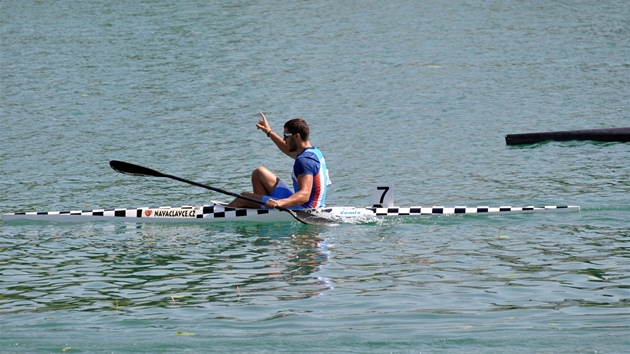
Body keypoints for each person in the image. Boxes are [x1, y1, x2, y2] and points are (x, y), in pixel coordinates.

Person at [227, 112, 331, 209]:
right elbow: (287, 149)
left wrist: (279, 203)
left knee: (243, 197)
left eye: (286, 136)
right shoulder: (313, 152)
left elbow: (304, 195)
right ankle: (263, 210)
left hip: (305, 209)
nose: (284, 139)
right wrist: (269, 132)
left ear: (297, 136)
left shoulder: (305, 161)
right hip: (304, 202)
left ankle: (219, 215)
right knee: (259, 173)